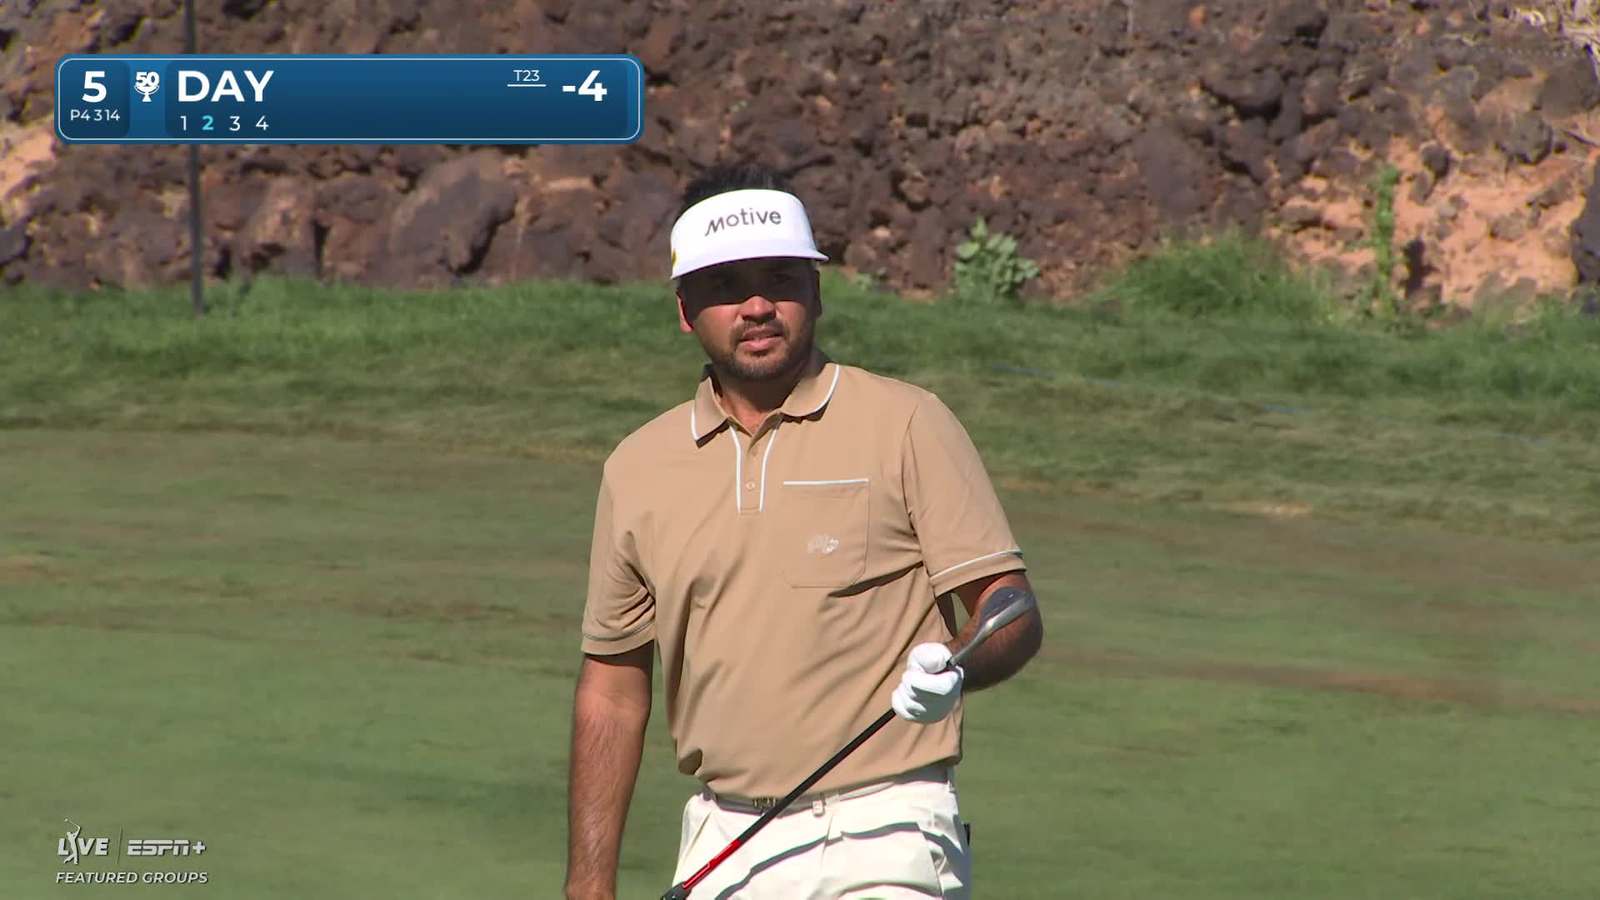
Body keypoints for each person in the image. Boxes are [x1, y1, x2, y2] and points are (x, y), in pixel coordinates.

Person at [564, 163, 1044, 900]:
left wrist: (953, 666)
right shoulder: (637, 467)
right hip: (723, 840)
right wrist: (589, 886)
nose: (757, 305)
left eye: (780, 278)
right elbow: (613, 691)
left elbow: (1008, 611)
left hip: (890, 828)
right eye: (727, 286)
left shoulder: (906, 423)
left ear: (816, 291)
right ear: (686, 308)